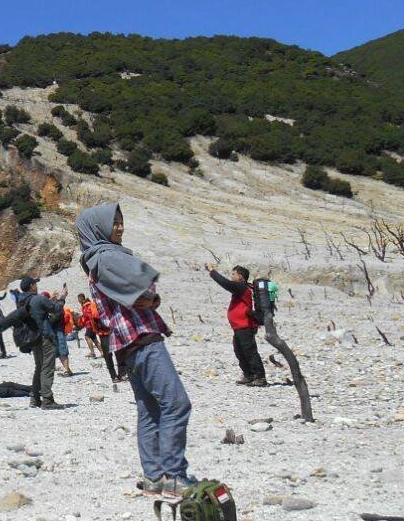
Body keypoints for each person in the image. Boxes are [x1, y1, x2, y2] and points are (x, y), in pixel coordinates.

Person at [77, 203, 195, 496]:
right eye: (114, 222)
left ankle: (154, 476)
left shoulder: (98, 259)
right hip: (142, 339)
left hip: (125, 345)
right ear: (98, 228)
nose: (120, 227)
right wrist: (153, 300)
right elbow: (142, 296)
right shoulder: (106, 259)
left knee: (150, 410)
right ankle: (174, 476)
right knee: (177, 403)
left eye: (121, 221)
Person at [0, 276, 64, 409]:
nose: (37, 286)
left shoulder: (22, 300)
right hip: (44, 337)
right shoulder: (38, 298)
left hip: (34, 338)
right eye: (35, 284)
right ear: (32, 286)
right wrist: (62, 298)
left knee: (39, 367)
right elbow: (57, 310)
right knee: (47, 367)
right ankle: (47, 400)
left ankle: (35, 398)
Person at [205, 263, 267, 387]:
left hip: (246, 325)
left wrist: (212, 271)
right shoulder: (243, 287)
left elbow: (225, 283)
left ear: (240, 276)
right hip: (240, 326)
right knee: (239, 350)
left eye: (233, 274)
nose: (231, 276)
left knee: (249, 351)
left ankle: (260, 377)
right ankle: (249, 375)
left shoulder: (242, 287)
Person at [78, 292, 119, 382]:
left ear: (82, 298)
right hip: (95, 327)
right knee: (95, 340)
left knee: (87, 337)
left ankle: (93, 352)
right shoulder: (85, 306)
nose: (79, 301)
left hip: (93, 326)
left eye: (79, 299)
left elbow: (93, 315)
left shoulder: (89, 305)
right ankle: (101, 353)